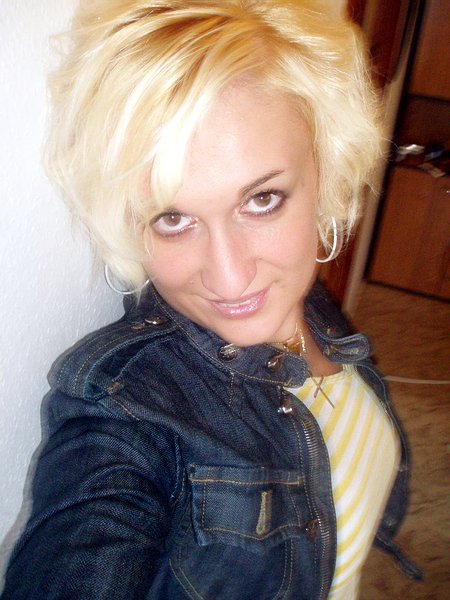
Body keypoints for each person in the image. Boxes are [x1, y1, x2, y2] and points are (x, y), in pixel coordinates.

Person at [1, 1, 420, 598]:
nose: (229, 279)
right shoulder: (124, 410)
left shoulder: (310, 310)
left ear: (324, 171)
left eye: (262, 200)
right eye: (172, 218)